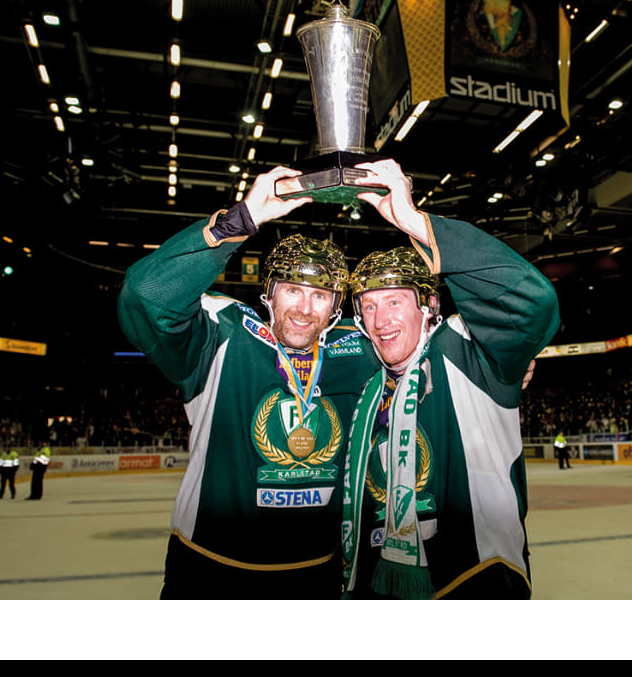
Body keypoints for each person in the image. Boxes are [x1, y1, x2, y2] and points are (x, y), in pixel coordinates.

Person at [117, 165, 382, 599]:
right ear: (269, 294)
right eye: (292, 290)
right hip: (209, 572)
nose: (304, 309)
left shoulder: (360, 347)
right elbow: (146, 297)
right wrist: (238, 221)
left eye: (320, 295)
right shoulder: (221, 334)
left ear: (336, 307)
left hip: (317, 574)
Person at [339, 159, 560, 599]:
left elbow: (532, 302)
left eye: (395, 302)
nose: (380, 320)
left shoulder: (471, 352)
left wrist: (415, 222)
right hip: (377, 582)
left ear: (429, 307)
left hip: (474, 581)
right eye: (369, 306)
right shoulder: (368, 378)